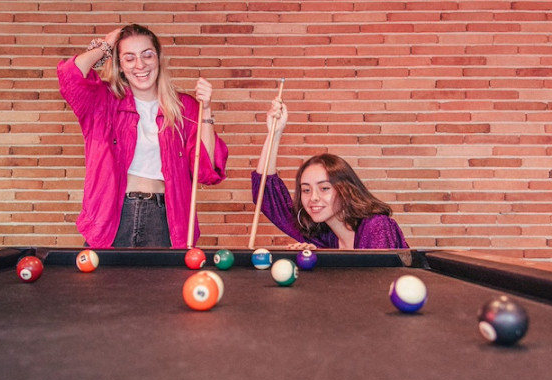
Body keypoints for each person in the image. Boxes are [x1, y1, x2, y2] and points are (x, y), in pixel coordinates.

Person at [58, 24, 228, 248]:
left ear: (158, 59)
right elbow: (69, 75)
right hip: (111, 218)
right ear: (120, 66)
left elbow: (206, 170)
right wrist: (106, 45)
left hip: (164, 219)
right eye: (129, 58)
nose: (140, 65)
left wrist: (205, 110)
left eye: (147, 55)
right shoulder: (103, 102)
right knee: (102, 274)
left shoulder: (184, 107)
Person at [253, 99, 408, 250]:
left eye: (324, 188)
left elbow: (376, 269)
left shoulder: (377, 226)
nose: (313, 197)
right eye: (306, 190)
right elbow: (266, 195)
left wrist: (322, 260)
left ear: (346, 190)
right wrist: (274, 134)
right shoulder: (323, 237)